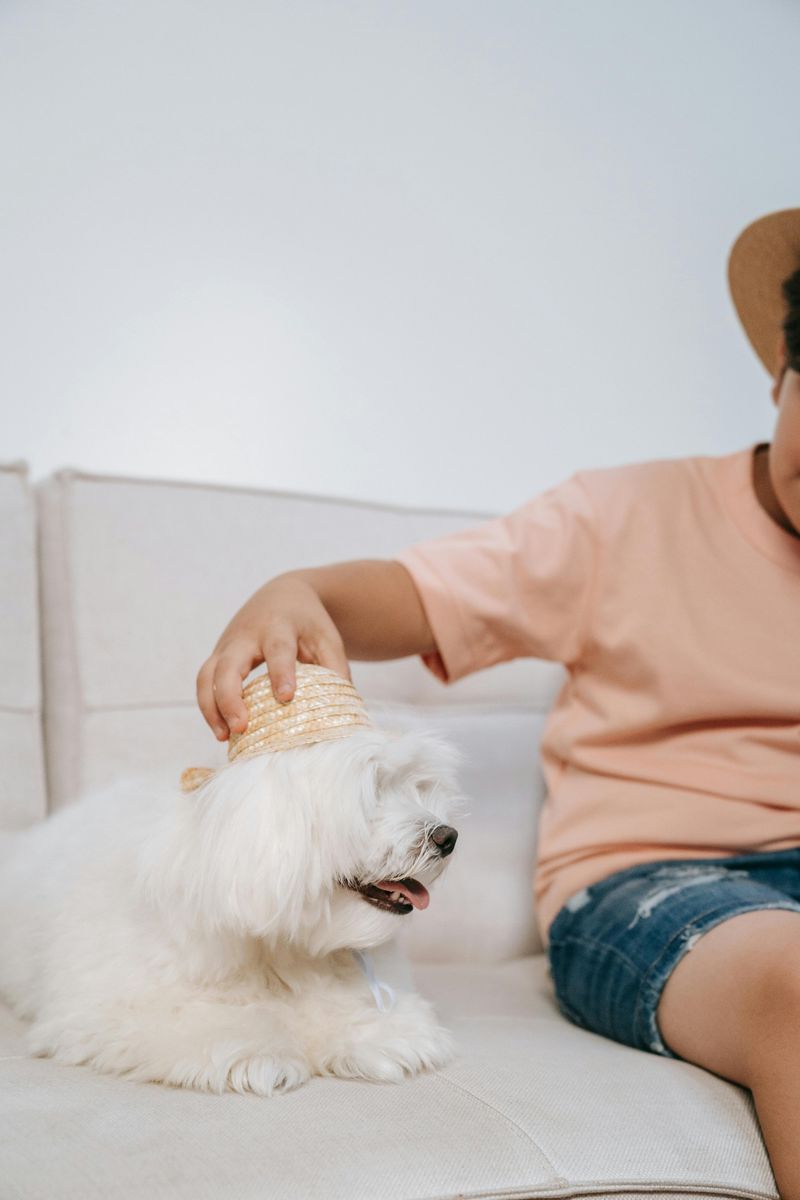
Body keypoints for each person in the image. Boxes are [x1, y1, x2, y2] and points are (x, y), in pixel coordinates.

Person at [197, 208, 800, 1198]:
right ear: (781, 370)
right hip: (658, 885)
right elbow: (411, 595)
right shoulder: (621, 519)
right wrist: (299, 593)